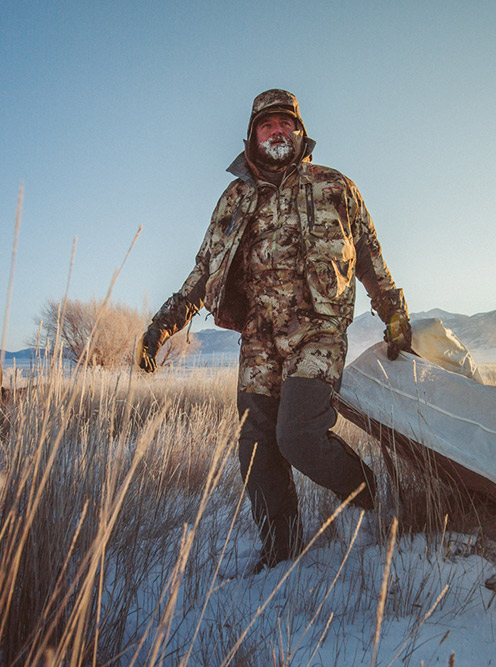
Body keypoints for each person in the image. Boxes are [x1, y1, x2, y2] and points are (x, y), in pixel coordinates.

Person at [138, 89, 412, 573]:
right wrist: (163, 325)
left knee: (299, 434)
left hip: (317, 330)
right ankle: (281, 550)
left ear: (300, 132)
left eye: (287, 123)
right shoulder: (234, 198)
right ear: (252, 137)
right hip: (260, 337)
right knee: (256, 445)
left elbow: (369, 255)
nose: (278, 131)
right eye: (268, 125)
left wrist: (394, 313)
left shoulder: (334, 186)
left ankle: (374, 495)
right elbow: (205, 271)